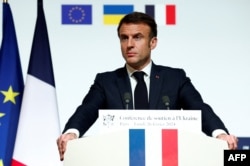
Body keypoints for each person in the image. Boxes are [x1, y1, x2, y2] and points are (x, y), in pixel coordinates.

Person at [57, 11, 238, 161]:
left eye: (137, 37)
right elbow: (87, 109)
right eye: (124, 38)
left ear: (153, 42)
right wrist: (72, 133)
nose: (129, 45)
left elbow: (199, 108)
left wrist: (219, 134)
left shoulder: (175, 78)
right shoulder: (106, 81)